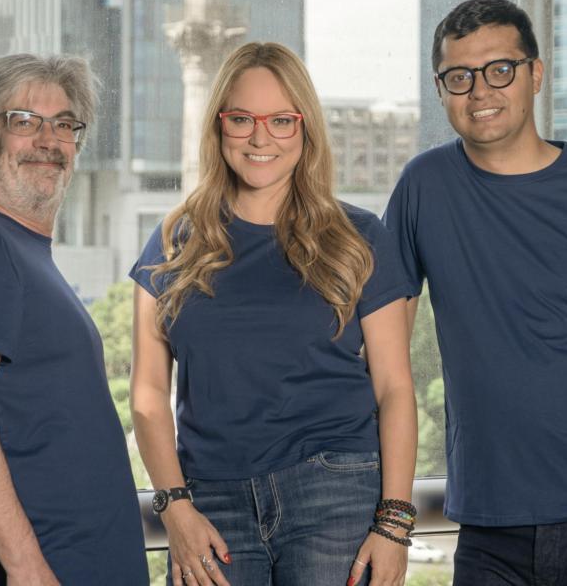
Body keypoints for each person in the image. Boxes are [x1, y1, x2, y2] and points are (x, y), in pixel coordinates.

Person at [130, 42, 417, 586]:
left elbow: (395, 389)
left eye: (281, 120)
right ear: (219, 127)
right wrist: (174, 506)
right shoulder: (173, 241)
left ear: (305, 128)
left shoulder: (357, 239)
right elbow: (147, 394)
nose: (261, 138)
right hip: (208, 500)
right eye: (242, 119)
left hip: (335, 494)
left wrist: (395, 524)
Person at [383, 0, 567, 585]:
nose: (481, 92)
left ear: (536, 75)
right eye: (460, 77)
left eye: (500, 70)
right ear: (441, 89)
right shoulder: (425, 185)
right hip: (486, 528)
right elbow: (381, 344)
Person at [0, 54, 149, 585]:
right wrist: (27, 569)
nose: (49, 140)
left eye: (64, 124)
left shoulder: (23, 254)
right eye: (23, 121)